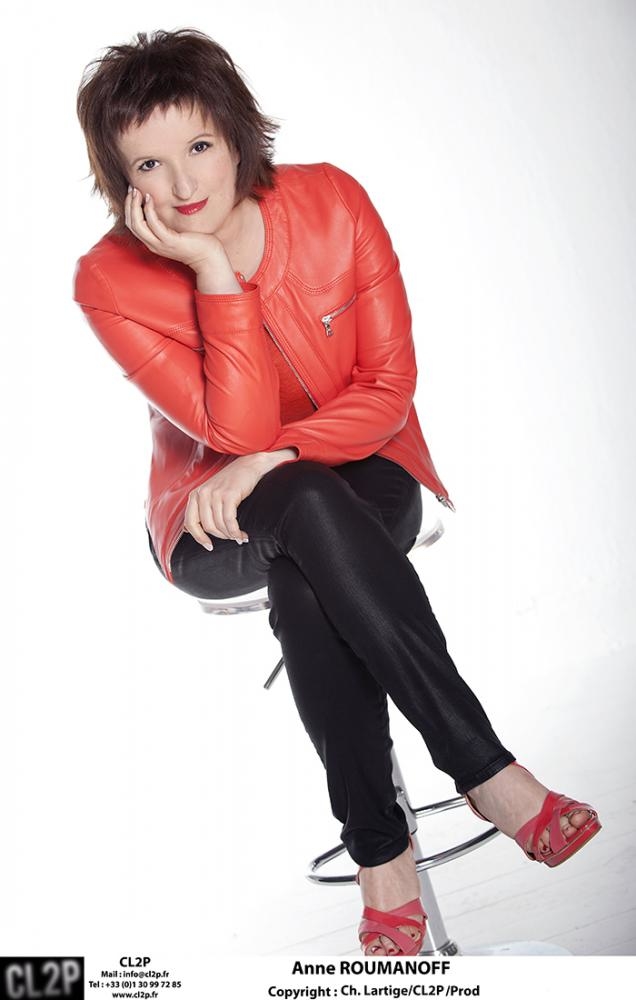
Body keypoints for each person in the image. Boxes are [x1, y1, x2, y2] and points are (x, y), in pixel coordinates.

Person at [73, 28, 601, 956]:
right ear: (121, 178)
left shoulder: (332, 203)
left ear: (236, 132)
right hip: (210, 514)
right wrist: (212, 272)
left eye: (199, 145)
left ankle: (380, 860)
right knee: (303, 513)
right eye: (148, 164)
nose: (183, 183)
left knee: (310, 561)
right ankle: (488, 771)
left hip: (368, 470)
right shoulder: (108, 281)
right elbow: (233, 437)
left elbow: (389, 389)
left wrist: (280, 456)